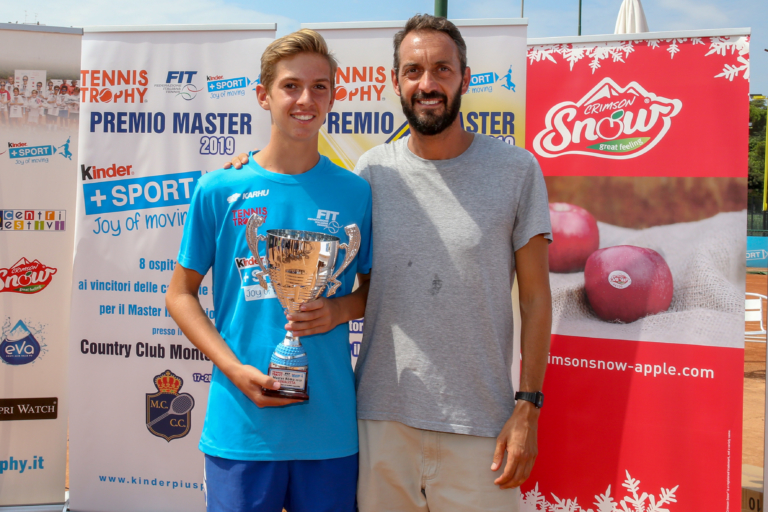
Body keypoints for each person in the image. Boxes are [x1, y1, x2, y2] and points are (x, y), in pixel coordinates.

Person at [227, 14, 552, 512]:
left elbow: (535, 298)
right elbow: (354, 276)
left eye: (442, 69)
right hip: (379, 425)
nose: (428, 84)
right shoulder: (371, 173)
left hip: (481, 429)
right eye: (413, 71)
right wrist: (244, 173)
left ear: (465, 78)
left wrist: (527, 405)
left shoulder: (516, 170)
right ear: (395, 82)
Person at [166, 29, 372, 512]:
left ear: (334, 97)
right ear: (264, 95)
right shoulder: (219, 188)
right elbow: (179, 294)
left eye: (319, 87)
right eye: (290, 86)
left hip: (328, 429)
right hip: (242, 426)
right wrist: (234, 370)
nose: (306, 99)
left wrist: (339, 309)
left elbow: (376, 289)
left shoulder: (356, 191)